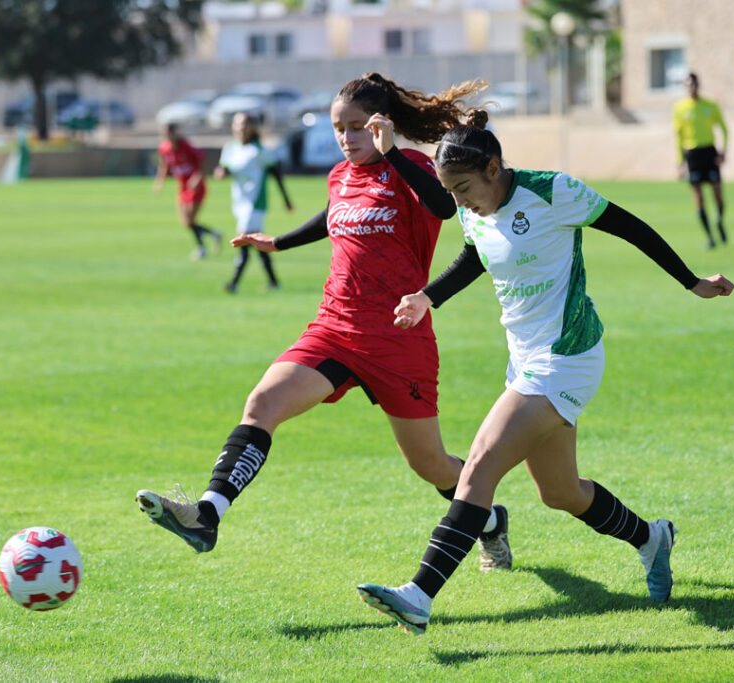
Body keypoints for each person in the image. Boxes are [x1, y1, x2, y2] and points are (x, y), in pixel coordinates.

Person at [356, 110, 734, 635]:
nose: (460, 201)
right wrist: (427, 297)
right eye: (452, 191)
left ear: (494, 168)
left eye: (464, 188)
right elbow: (474, 256)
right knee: (559, 492)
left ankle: (419, 594)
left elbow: (630, 227)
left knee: (480, 464)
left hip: (569, 356)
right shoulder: (473, 208)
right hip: (524, 361)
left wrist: (690, 281)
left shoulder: (553, 193)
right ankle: (652, 538)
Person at [136, 73, 514, 573]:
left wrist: (393, 153)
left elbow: (444, 206)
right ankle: (207, 514)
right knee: (262, 404)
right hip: (334, 328)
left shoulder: (416, 167)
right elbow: (332, 214)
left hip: (398, 339)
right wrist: (278, 243)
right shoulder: (340, 175)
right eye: (340, 128)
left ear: (383, 125)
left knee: (430, 464)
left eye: (358, 127)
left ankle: (489, 523)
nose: (347, 138)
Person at [215, 112, 293, 293]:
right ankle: (274, 282)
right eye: (237, 125)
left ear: (252, 128)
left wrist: (286, 200)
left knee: (243, 240)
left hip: (255, 203)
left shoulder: (260, 151)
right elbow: (226, 168)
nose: (240, 129)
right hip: (239, 203)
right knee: (256, 243)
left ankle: (233, 283)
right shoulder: (230, 148)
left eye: (244, 125)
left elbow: (276, 174)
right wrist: (221, 173)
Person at [673, 73, 728, 249]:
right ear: (685, 86)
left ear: (698, 85)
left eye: (694, 84)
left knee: (718, 195)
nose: (691, 87)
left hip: (709, 152)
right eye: (688, 85)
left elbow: (724, 129)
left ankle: (719, 220)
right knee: (698, 198)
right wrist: (680, 161)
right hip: (692, 154)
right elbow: (678, 136)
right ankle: (710, 237)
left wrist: (723, 151)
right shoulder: (680, 108)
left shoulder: (710, 105)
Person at [154, 122, 222, 260]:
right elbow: (164, 166)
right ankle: (213, 234)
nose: (166, 136)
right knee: (186, 222)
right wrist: (160, 182)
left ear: (174, 132)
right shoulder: (164, 148)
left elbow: (203, 160)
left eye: (169, 132)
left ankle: (202, 248)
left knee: (190, 219)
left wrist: (197, 177)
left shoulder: (186, 146)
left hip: (196, 187)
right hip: (183, 187)